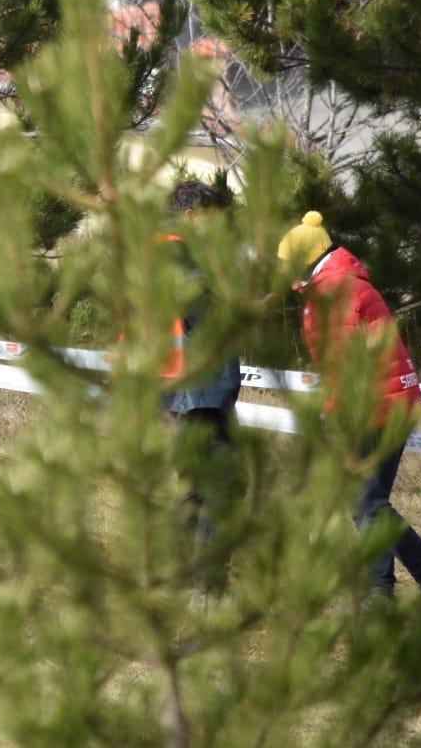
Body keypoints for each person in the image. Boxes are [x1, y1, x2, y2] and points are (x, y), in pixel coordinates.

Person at [277, 210, 421, 597]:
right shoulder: (338, 283)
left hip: (374, 407)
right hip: (388, 402)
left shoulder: (334, 291)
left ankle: (392, 590)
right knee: (370, 504)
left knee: (365, 503)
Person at [162, 181, 243, 592]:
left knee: (197, 485)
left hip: (189, 392)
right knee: (222, 485)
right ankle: (209, 583)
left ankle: (178, 573)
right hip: (201, 391)